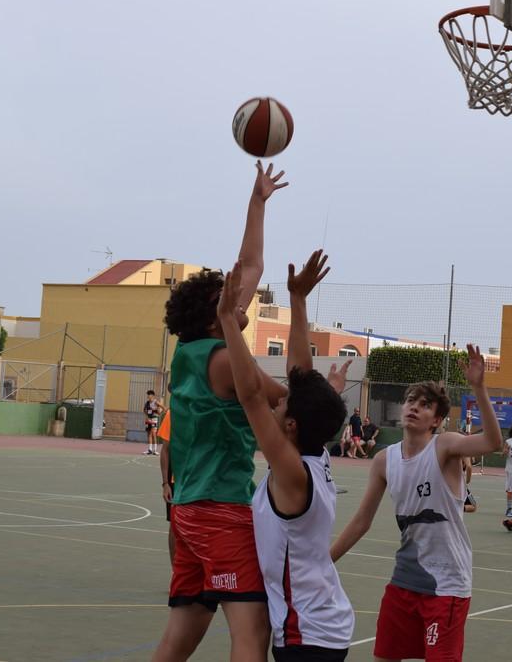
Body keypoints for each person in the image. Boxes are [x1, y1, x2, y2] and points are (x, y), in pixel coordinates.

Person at [152, 161, 287, 662]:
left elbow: (249, 266)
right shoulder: (225, 360)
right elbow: (277, 395)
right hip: (221, 510)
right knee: (252, 633)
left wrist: (258, 201)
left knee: (181, 634)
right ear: (217, 313)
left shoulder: (190, 353)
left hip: (187, 511)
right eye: (226, 296)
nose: (240, 291)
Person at [219, 253, 354, 661]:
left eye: (284, 406)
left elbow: (250, 396)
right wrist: (298, 300)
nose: (276, 405)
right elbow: (300, 371)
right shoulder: (315, 456)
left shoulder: (293, 473)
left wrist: (228, 321)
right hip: (321, 627)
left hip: (307, 636)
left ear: (291, 425)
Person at [330, 345, 502, 662]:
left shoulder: (445, 447)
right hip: (404, 580)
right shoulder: (384, 460)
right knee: (383, 656)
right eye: (410, 401)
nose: (413, 407)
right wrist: (325, 562)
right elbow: (360, 522)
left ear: (436, 419)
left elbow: (493, 442)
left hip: (447, 583)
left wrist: (478, 387)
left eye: (424, 405)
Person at [158, 408, 176, 562]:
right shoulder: (173, 413)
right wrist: (165, 483)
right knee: (175, 526)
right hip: (178, 482)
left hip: (201, 481)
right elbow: (165, 450)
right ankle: (175, 571)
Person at [144, 390, 165, 456]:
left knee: (153, 433)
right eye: (147, 394)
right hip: (148, 419)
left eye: (149, 394)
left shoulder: (156, 402)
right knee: (149, 434)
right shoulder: (147, 403)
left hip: (154, 419)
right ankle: (150, 450)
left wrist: (159, 413)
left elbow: (163, 407)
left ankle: (155, 450)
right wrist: (147, 416)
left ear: (152, 395)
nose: (148, 396)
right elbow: (144, 410)